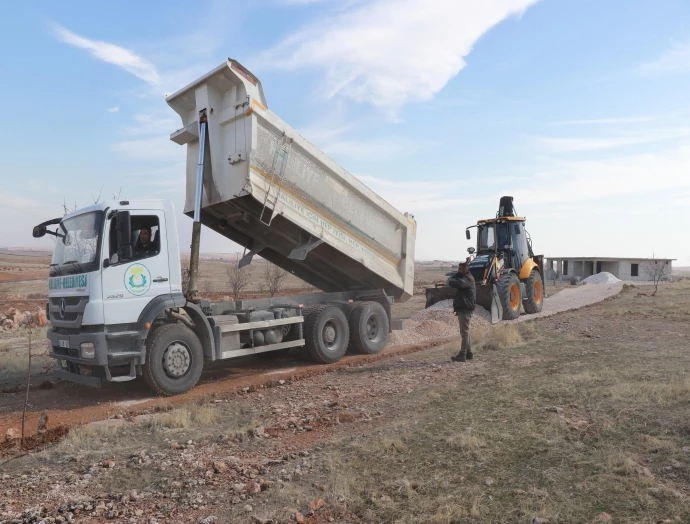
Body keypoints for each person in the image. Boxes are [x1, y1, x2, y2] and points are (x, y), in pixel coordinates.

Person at [448, 261, 476, 362]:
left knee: (464, 332)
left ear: (466, 269)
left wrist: (452, 280)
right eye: (458, 269)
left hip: (465, 307)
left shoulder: (467, 278)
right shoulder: (465, 276)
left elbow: (458, 283)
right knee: (465, 332)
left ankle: (462, 354)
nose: (459, 271)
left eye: (461, 269)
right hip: (464, 306)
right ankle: (469, 353)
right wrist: (457, 275)